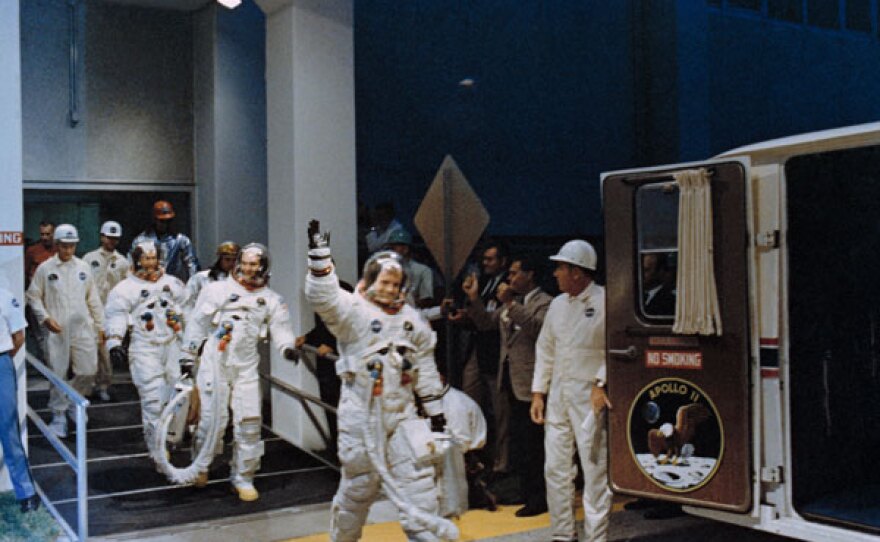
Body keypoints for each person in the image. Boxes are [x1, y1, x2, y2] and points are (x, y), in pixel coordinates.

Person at [305, 220, 455, 542]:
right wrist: (320, 262)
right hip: (361, 413)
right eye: (384, 282)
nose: (388, 289)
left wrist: (437, 414)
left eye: (394, 283)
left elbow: (424, 368)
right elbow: (324, 299)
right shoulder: (353, 313)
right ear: (371, 280)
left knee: (420, 484)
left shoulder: (411, 321)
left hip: (402, 414)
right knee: (359, 488)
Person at [181, 243, 297, 501]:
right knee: (211, 420)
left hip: (245, 366)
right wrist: (187, 356)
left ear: (264, 266)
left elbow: (281, 329)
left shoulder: (271, 299)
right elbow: (197, 324)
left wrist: (287, 349)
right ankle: (201, 466)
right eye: (244, 262)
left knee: (249, 422)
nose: (248, 268)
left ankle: (243, 477)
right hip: (215, 363)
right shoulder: (215, 290)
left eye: (254, 264)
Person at [531, 240, 612, 542]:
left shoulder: (605, 302)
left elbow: (612, 350)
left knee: (594, 473)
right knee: (555, 469)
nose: (555, 274)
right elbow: (545, 350)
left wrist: (601, 383)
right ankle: (563, 535)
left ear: (577, 272)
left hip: (589, 400)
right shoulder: (557, 305)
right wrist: (539, 393)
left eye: (561, 268)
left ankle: (596, 538)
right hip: (559, 399)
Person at [465, 256, 551, 517]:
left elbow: (538, 329)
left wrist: (511, 304)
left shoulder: (545, 302)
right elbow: (485, 322)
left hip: (533, 382)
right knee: (520, 443)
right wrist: (473, 299)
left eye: (515, 273)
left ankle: (540, 496)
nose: (509, 279)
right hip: (510, 380)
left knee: (536, 444)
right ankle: (525, 490)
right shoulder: (510, 304)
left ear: (530, 274)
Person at [104, 240, 187, 461]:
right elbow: (116, 315)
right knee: (152, 400)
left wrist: (193, 343)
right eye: (145, 258)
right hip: (144, 347)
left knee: (178, 396)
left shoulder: (174, 284)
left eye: (153, 258)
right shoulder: (125, 289)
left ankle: (171, 438)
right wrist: (114, 341)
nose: (150, 263)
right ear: (136, 259)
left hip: (172, 345)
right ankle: (156, 448)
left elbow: (188, 311)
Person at [26, 224, 104, 439]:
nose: (68, 250)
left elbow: (93, 299)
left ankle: (73, 401)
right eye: (64, 246)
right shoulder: (46, 268)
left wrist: (101, 327)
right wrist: (45, 318)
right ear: (57, 245)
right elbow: (33, 296)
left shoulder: (83, 267)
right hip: (58, 328)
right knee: (58, 372)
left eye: (72, 246)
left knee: (88, 370)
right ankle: (58, 415)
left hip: (82, 327)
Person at [455, 241, 509, 473]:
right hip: (478, 349)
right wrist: (463, 315)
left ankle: (501, 464)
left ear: (502, 261)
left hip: (497, 353)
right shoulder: (486, 282)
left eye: (490, 259)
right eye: (484, 259)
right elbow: (480, 316)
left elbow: (490, 321)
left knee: (500, 414)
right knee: (469, 402)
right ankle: (474, 458)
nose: (485, 263)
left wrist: (475, 303)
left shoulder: (508, 287)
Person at [295, 278, 354, 454]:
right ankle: (337, 449)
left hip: (340, 358)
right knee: (330, 404)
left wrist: (333, 345)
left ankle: (348, 450)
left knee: (344, 407)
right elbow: (322, 325)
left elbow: (350, 325)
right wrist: (308, 338)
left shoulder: (345, 291)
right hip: (325, 363)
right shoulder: (315, 292)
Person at [0, 285, 41, 513]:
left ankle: (26, 493)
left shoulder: (4, 295)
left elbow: (18, 337)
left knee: (8, 429)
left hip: (0, 364)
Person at [83, 221, 128, 402]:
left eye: (114, 239)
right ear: (102, 236)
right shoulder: (89, 258)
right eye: (108, 237)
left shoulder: (123, 262)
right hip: (91, 311)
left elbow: (126, 287)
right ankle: (87, 386)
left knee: (106, 353)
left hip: (111, 313)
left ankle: (103, 385)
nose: (111, 241)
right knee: (88, 350)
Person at [131, 200, 199, 283]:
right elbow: (131, 264)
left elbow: (192, 265)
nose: (166, 224)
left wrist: (191, 287)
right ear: (155, 220)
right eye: (162, 221)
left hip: (173, 284)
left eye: (169, 221)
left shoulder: (181, 240)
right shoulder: (141, 240)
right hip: (148, 284)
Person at [24, 221, 56, 363]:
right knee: (41, 336)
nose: (44, 237)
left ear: (54, 234)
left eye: (48, 234)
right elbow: (25, 273)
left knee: (56, 335)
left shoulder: (59, 250)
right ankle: (50, 367)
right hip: (37, 299)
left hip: (55, 299)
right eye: (42, 234)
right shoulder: (32, 251)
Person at [182, 241, 240, 315]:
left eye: (234, 260)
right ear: (220, 259)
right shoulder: (202, 277)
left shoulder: (242, 280)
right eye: (227, 259)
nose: (231, 263)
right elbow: (187, 302)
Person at [384, 229, 434, 308]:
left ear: (405, 248)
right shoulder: (383, 269)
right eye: (390, 247)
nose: (391, 250)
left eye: (395, 247)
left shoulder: (423, 270)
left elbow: (426, 300)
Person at [642, 253, 676, 317]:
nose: (641, 274)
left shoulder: (669, 301)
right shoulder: (639, 296)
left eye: (646, 270)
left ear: (660, 271)